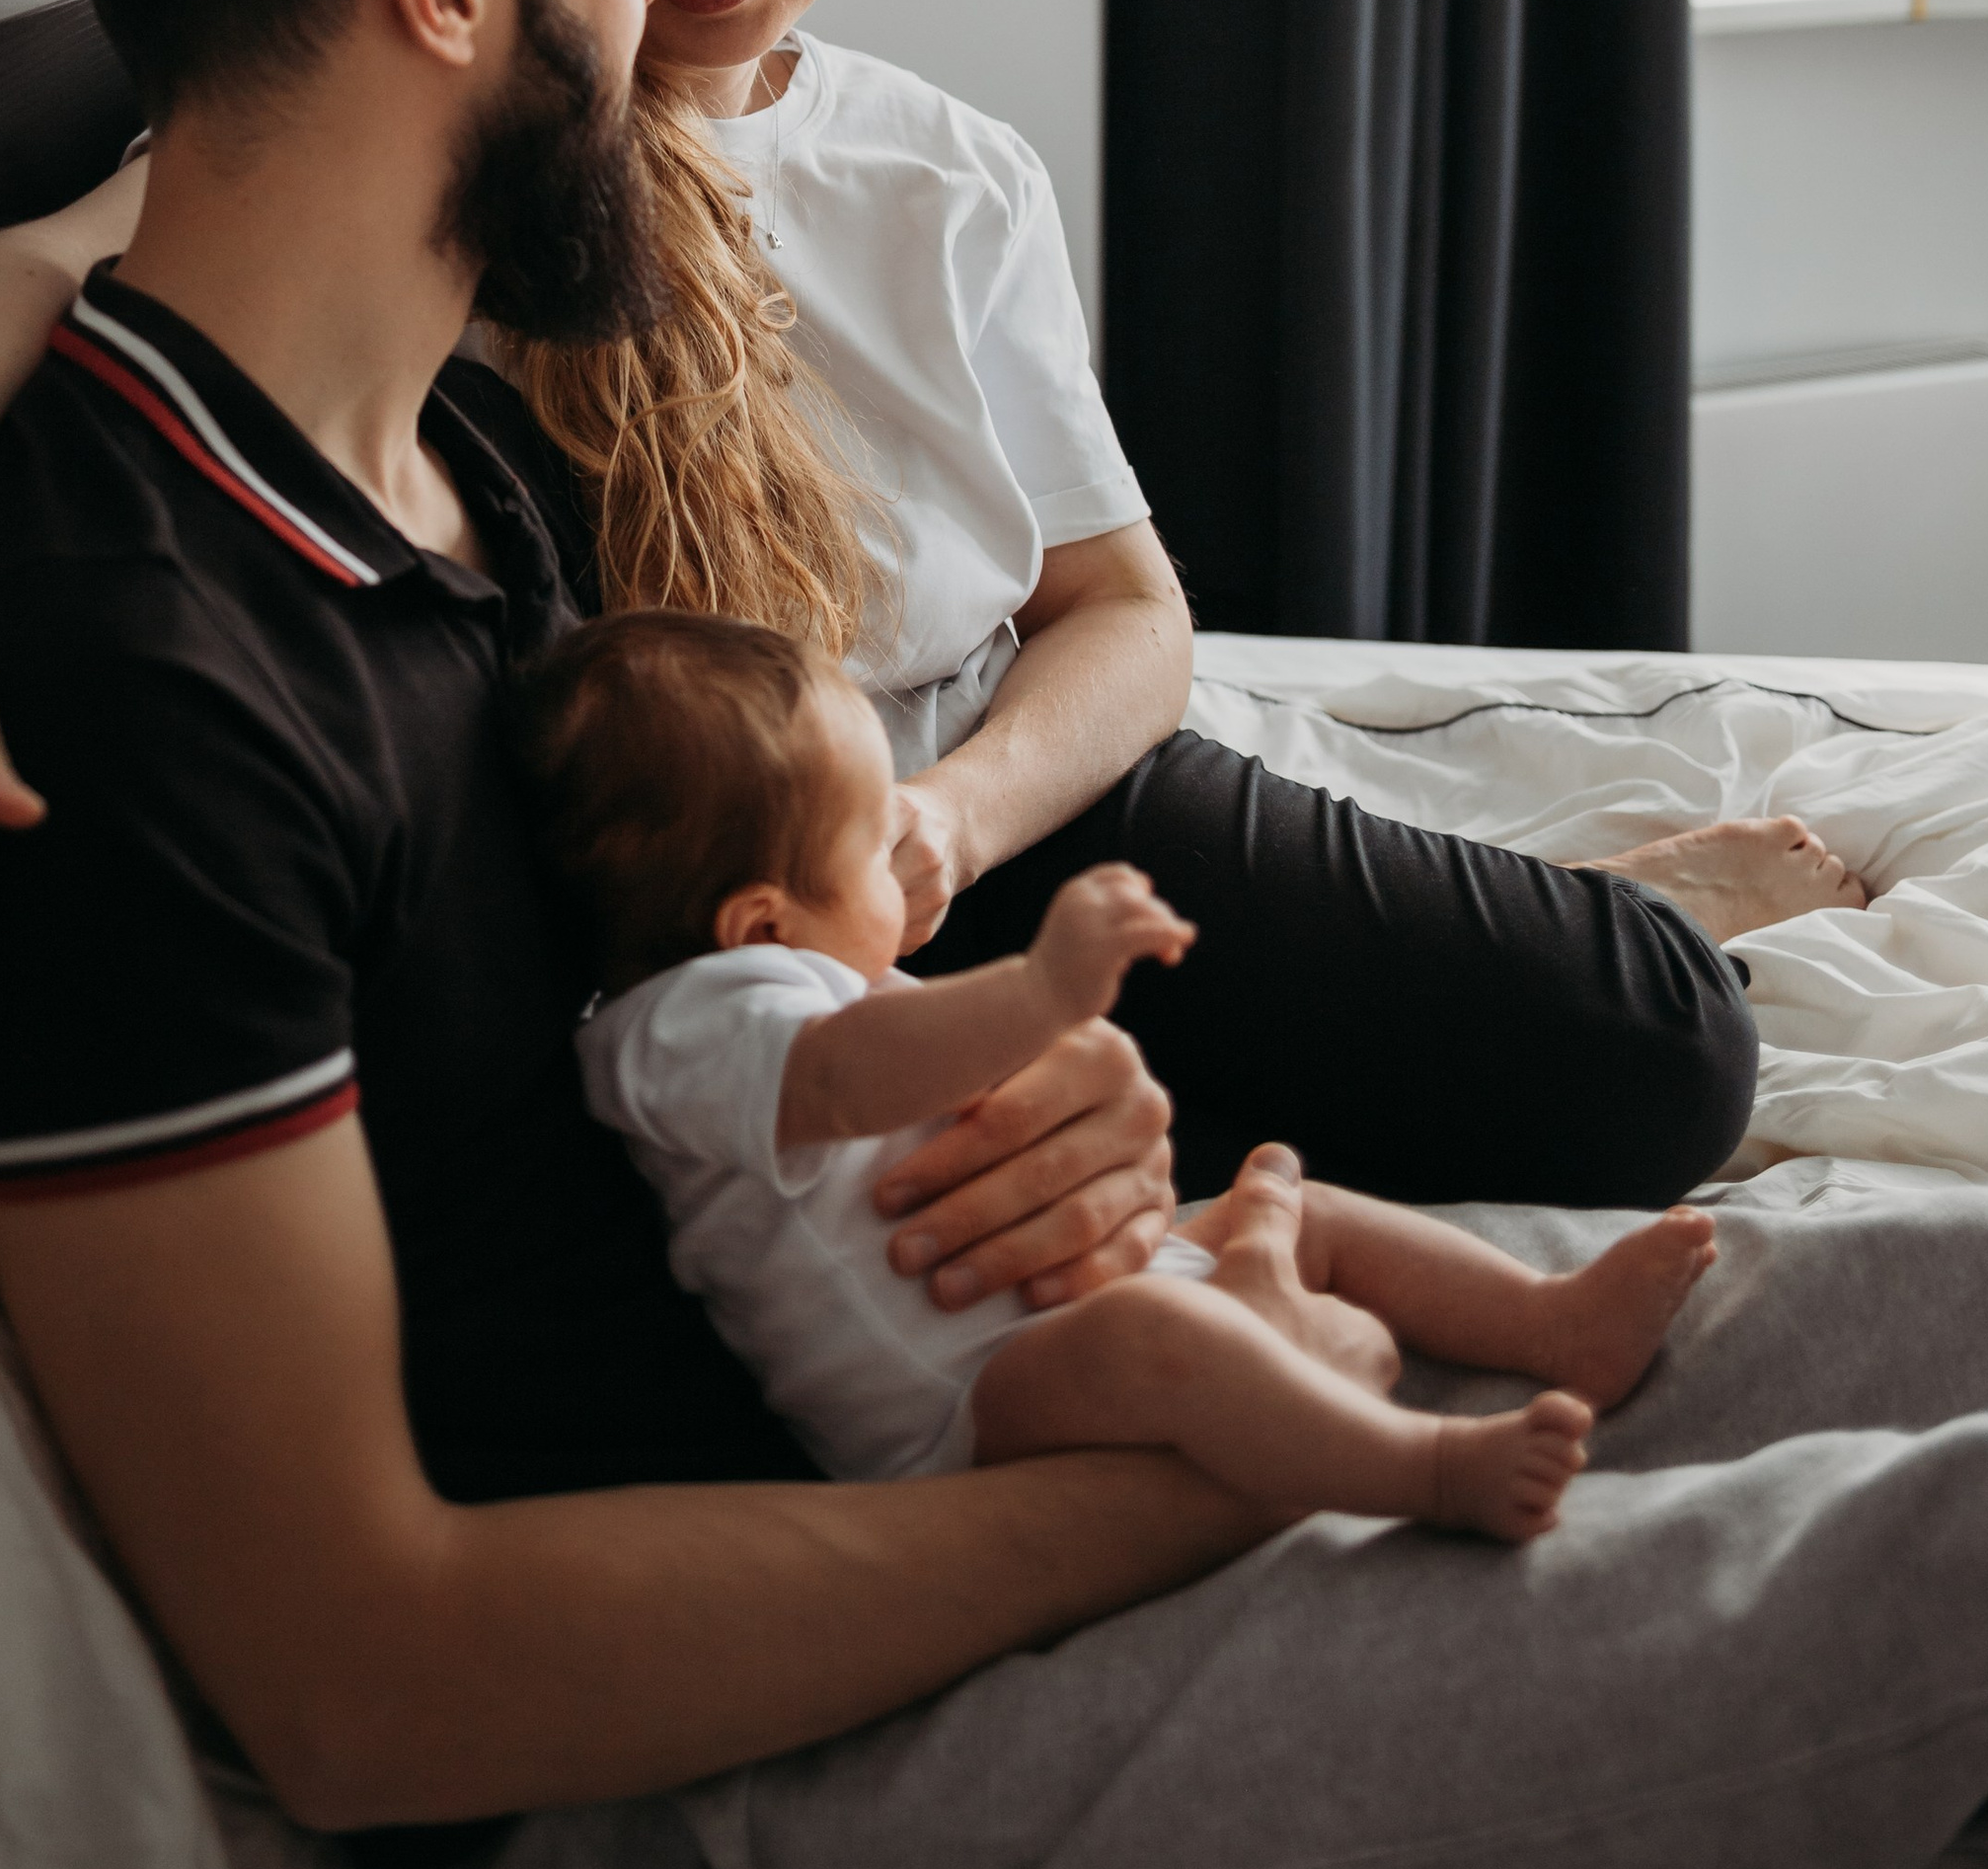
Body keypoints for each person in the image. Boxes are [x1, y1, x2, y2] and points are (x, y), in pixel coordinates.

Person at [0, 0, 1847, 1234]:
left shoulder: (940, 175)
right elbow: (58, 255)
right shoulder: (469, 151)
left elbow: (1119, 610)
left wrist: (945, 819)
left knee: (1651, 1038)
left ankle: (1555, 888)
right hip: (729, 879)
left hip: (971, 792)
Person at [0, 0, 1264, 1865]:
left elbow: (688, 1033)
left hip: (881, 1456)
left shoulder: (465, 488)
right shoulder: (123, 693)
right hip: (731, 1758)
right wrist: (1149, 1506)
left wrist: (959, 1113)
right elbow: (368, 1680)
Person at [532, 606, 1720, 1539]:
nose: (904, 872)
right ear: (758, 922)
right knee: (1152, 1341)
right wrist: (1042, 988)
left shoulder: (788, 977)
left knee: (1299, 1205)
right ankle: (1429, 1468)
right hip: (970, 1411)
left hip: (1073, 1295)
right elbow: (851, 1077)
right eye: (866, 851)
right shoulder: (678, 1028)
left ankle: (1550, 1323)